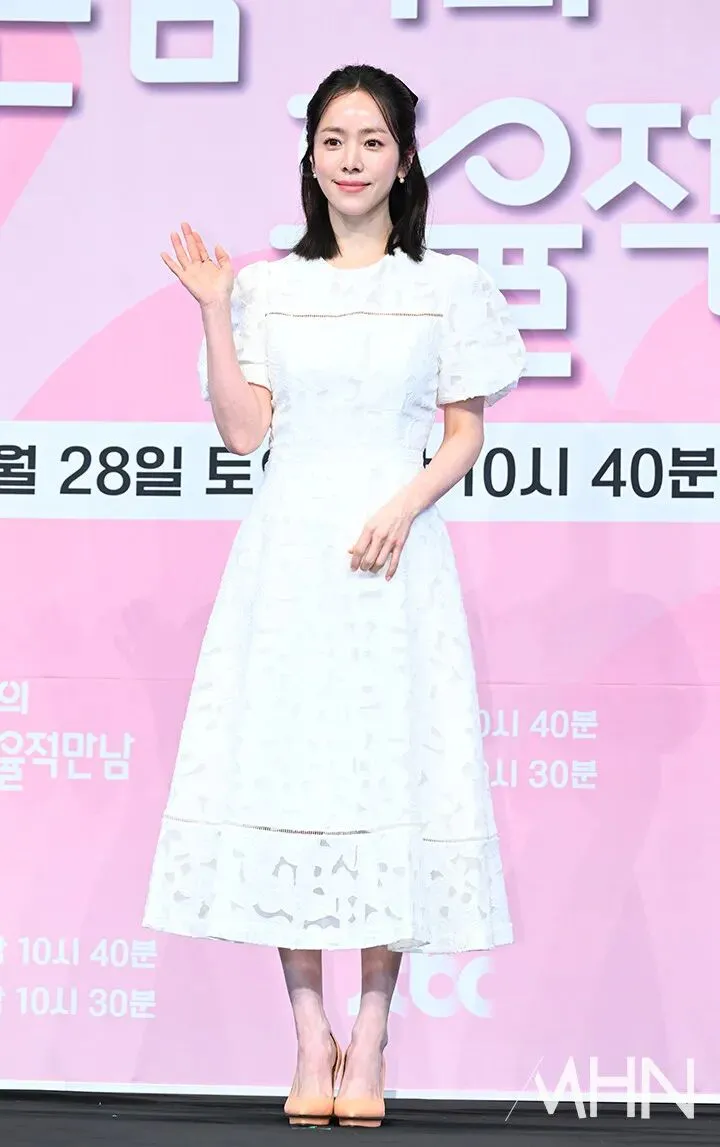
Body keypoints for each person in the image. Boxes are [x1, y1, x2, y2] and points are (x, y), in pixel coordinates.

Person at [143, 63, 526, 1128]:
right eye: (332, 141)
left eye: (371, 141)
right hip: (289, 563)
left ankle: (374, 1027)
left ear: (404, 160)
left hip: (395, 559)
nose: (350, 160)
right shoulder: (268, 287)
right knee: (295, 773)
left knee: (386, 775)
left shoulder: (447, 285)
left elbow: (462, 433)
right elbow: (245, 433)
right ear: (309, 159)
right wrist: (215, 312)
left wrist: (403, 505)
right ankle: (309, 1030)